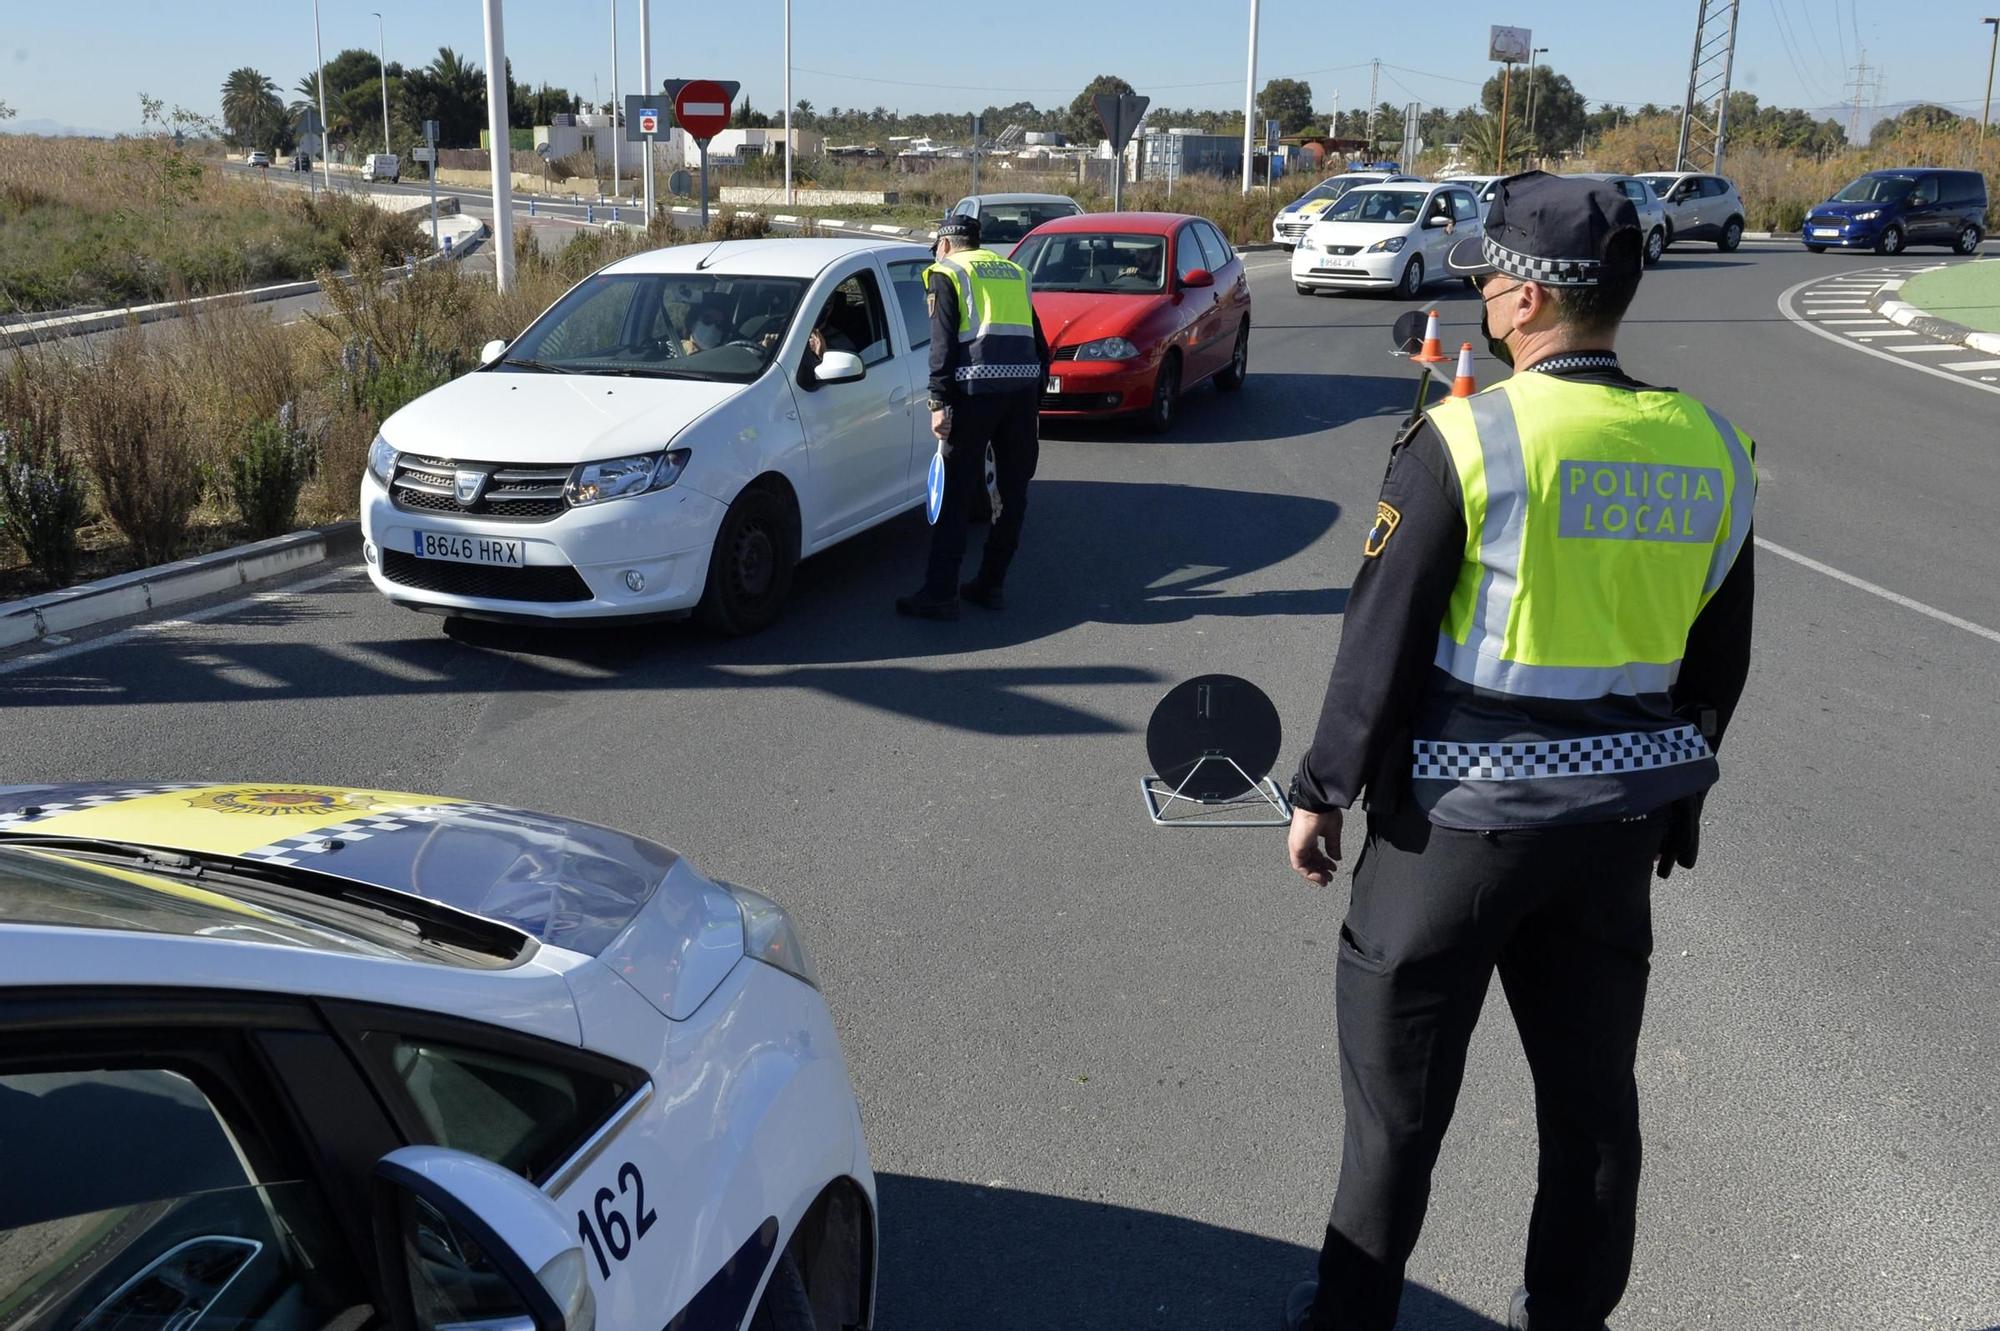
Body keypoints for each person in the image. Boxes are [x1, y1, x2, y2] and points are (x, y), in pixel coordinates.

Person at [1278, 172, 1757, 1331]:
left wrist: (1320, 790)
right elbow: (1716, 664)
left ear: (1532, 302)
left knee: (1395, 1119)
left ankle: (1348, 1318)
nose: (1483, 291)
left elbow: (1377, 635)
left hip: (1450, 838)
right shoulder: (1712, 445)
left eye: (1491, 273)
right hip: (1609, 842)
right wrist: (1669, 811)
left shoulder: (1469, 435)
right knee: (1592, 1113)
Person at [897, 212, 1050, 620]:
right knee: (1011, 493)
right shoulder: (1014, 272)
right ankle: (991, 583)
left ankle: (941, 592)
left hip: (972, 395)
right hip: (1019, 395)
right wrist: (1034, 394)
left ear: (945, 244)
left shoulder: (947, 272)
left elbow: (942, 345)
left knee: (955, 494)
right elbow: (1039, 340)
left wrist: (937, 402)